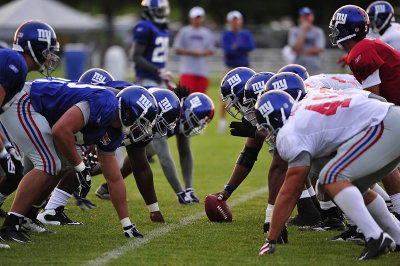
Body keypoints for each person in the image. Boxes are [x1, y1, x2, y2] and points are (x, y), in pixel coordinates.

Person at [0, 80, 158, 242]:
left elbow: (114, 179)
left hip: (43, 111)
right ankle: (10, 226)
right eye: (142, 122)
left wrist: (127, 224)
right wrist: (81, 168)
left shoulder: (115, 130)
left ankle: (28, 217)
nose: (141, 129)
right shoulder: (105, 103)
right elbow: (61, 130)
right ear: (127, 112)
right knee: (48, 164)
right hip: (26, 99)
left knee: (62, 164)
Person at [257, 86, 400, 259]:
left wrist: (271, 238)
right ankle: (397, 236)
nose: (266, 134)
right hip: (389, 119)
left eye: (266, 127)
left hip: (383, 124)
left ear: (276, 118)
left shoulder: (290, 133)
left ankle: (375, 237)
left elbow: (290, 191)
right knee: (354, 186)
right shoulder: (306, 104)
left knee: (331, 178)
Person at [330, 5, 400, 220]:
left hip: (392, 108)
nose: (334, 32)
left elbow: (374, 102)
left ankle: (394, 211)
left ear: (347, 30)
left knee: (378, 156)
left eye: (337, 28)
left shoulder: (361, 52)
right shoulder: (365, 46)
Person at [0, 20, 60, 221]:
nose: (49, 56)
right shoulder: (14, 63)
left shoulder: (17, 66)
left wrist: (6, 145)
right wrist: (3, 151)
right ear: (35, 47)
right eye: (47, 50)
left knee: (12, 167)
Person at [218, 10, 256, 133]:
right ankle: (222, 123)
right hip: (231, 69)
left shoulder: (245, 34)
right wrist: (241, 46)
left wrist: (237, 46)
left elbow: (251, 46)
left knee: (249, 96)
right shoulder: (226, 35)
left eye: (237, 20)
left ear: (241, 21)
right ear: (229, 22)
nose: (235, 23)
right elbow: (228, 51)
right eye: (233, 20)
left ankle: (251, 120)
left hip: (245, 69)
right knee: (225, 97)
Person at [173, 6, 215, 94]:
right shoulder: (184, 31)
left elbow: (211, 50)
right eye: (196, 18)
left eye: (199, 17)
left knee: (201, 97)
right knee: (185, 97)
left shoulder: (206, 33)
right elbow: (177, 48)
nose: (197, 20)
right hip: (187, 70)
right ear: (190, 18)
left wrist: (201, 53)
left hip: (202, 71)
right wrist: (191, 52)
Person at [131, 0, 173, 88]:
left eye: (164, 11)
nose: (163, 14)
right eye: (160, 11)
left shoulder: (163, 28)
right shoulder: (144, 26)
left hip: (159, 78)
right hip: (145, 78)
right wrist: (157, 70)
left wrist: (161, 71)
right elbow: (136, 56)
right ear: (150, 11)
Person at [288, 7, 325, 75]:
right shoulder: (294, 31)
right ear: (300, 18)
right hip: (298, 67)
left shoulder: (318, 31)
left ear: (312, 17)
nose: (306, 18)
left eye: (308, 16)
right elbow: (295, 48)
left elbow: (318, 49)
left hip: (315, 67)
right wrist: (303, 31)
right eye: (304, 16)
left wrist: (302, 52)